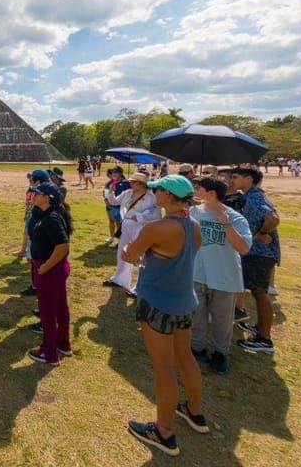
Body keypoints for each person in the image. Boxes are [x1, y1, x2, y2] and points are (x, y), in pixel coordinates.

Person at [123, 175, 207, 456]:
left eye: (157, 189)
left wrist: (127, 248)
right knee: (185, 357)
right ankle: (194, 412)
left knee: (163, 368)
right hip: (184, 302)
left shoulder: (157, 228)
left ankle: (164, 431)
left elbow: (129, 256)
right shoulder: (193, 226)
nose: (154, 192)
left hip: (158, 303)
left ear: (168, 196)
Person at [189, 177, 252, 375]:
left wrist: (225, 224)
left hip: (224, 278)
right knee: (196, 315)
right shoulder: (194, 213)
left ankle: (220, 353)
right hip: (198, 274)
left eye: (199, 188)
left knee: (222, 319)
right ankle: (196, 348)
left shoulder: (235, 218)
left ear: (211, 194)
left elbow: (243, 248)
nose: (195, 190)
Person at [230, 167, 281, 354]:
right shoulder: (250, 195)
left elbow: (273, 218)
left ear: (248, 178)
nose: (232, 180)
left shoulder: (255, 197)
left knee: (260, 293)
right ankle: (260, 328)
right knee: (258, 291)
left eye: (235, 177)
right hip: (256, 252)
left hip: (260, 253)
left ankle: (264, 339)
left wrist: (263, 233)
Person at [26, 181, 74, 365]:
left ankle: (49, 353)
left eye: (37, 193)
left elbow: (63, 246)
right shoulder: (46, 214)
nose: (34, 195)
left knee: (47, 314)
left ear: (47, 197)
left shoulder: (51, 218)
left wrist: (45, 267)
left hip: (50, 270)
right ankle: (63, 344)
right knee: (61, 309)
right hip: (55, 269)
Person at [103, 172, 160, 296]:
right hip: (126, 225)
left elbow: (156, 214)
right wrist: (111, 192)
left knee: (141, 256)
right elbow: (114, 202)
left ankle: (140, 288)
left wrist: (139, 217)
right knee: (122, 252)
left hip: (141, 227)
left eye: (133, 182)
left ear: (141, 184)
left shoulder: (151, 197)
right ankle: (120, 279)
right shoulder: (128, 193)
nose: (130, 183)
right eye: (131, 181)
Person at [103, 168, 130, 245]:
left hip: (120, 206)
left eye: (116, 172)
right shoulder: (109, 183)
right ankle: (111, 237)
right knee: (111, 221)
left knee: (119, 223)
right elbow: (105, 193)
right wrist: (106, 200)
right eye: (113, 172)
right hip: (109, 205)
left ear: (120, 173)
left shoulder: (126, 183)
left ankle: (120, 240)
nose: (114, 174)